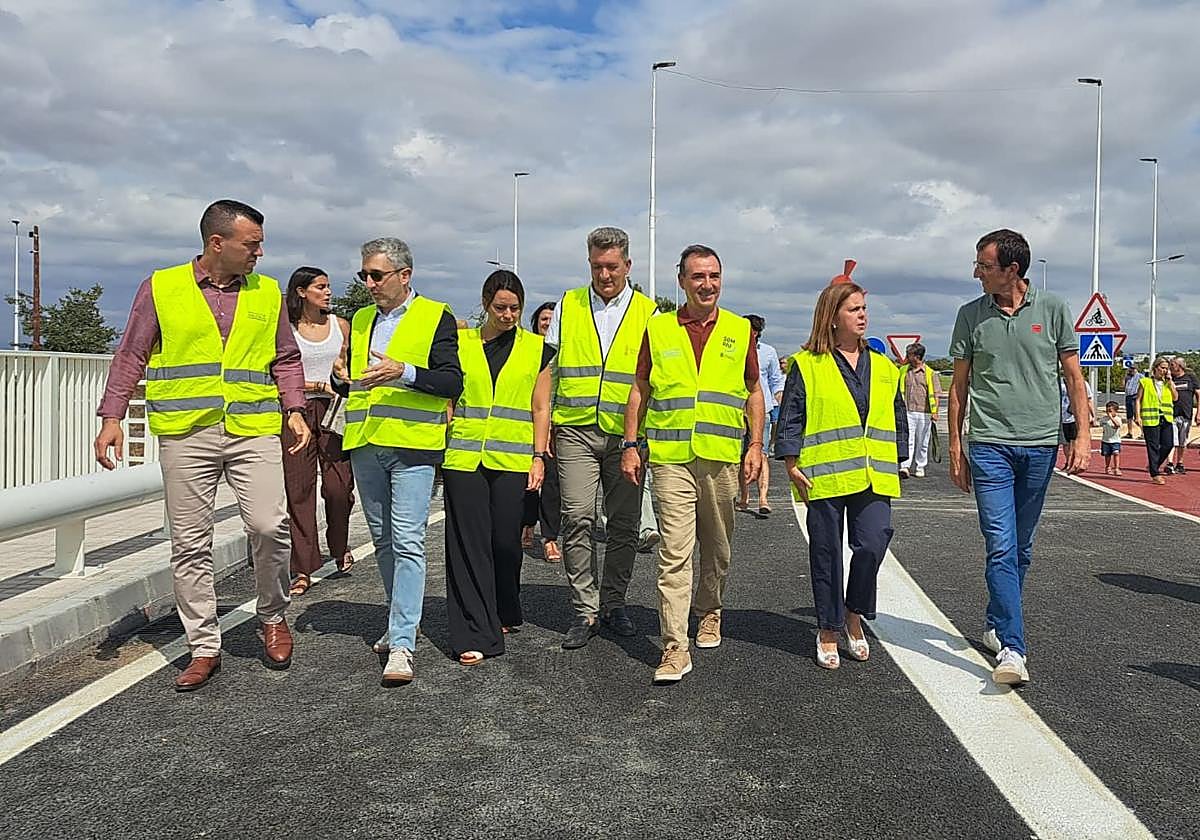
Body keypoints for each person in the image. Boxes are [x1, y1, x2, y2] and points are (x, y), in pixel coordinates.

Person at [93, 199, 311, 692]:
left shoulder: (267, 291)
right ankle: (204, 645)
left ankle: (272, 615)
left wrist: (295, 408)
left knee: (269, 525)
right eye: (251, 244)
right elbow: (131, 354)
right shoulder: (161, 287)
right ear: (217, 243)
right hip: (186, 431)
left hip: (253, 426)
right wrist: (112, 417)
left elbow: (285, 357)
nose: (259, 252)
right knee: (190, 542)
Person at [948, 228, 1089, 687]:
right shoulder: (970, 315)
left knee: (1021, 547)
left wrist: (1081, 436)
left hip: (1040, 444)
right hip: (989, 444)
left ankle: (995, 622)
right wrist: (955, 446)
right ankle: (1013, 646)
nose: (976, 272)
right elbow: (958, 387)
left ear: (1012, 270)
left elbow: (1073, 378)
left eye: (984, 265)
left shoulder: (1053, 309)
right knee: (1001, 544)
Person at [622, 245, 764, 683]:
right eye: (698, 276)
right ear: (681, 280)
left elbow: (753, 391)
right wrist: (631, 443)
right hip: (671, 459)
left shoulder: (740, 329)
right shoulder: (659, 328)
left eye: (714, 276)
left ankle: (710, 609)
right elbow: (640, 387)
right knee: (674, 553)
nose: (707, 284)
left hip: (720, 459)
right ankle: (674, 647)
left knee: (717, 548)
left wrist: (756, 444)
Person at [336, 237, 463, 686]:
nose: (369, 283)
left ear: (404, 275)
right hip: (366, 441)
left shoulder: (435, 316)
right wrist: (341, 379)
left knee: (408, 541)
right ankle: (397, 623)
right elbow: (361, 382)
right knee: (384, 541)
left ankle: (403, 644)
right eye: (364, 275)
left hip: (412, 445)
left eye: (376, 275)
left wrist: (403, 372)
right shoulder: (361, 319)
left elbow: (451, 382)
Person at [776, 280, 907, 671]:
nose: (863, 315)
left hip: (873, 473)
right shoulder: (807, 364)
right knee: (826, 553)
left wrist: (899, 457)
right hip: (823, 474)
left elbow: (897, 414)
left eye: (864, 308)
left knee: (873, 543)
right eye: (854, 309)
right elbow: (792, 414)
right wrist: (790, 461)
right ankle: (829, 628)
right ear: (832, 317)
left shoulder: (884, 366)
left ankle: (854, 613)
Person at [544, 226, 657, 649]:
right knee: (577, 517)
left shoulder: (649, 313)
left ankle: (613, 603)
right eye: (596, 266)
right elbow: (549, 369)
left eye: (611, 266)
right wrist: (544, 428)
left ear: (628, 265)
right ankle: (585, 609)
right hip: (575, 429)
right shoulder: (568, 304)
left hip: (627, 436)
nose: (604, 275)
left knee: (624, 524)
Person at [442, 271, 552, 665]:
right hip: (463, 457)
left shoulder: (537, 349)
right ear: (486, 302)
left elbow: (541, 407)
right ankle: (475, 631)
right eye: (500, 307)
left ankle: (505, 605)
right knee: (468, 545)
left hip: (512, 458)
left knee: (506, 542)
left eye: (515, 308)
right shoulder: (461, 344)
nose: (508, 315)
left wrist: (538, 457)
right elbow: (449, 398)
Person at [282, 267, 356, 597]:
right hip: (297, 411)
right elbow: (279, 370)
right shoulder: (286, 328)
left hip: (335, 410)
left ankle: (339, 545)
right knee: (299, 490)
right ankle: (302, 567)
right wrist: (312, 386)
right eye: (320, 287)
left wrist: (343, 381)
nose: (328, 293)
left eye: (328, 286)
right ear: (301, 292)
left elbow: (347, 367)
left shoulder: (341, 325)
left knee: (339, 488)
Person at [520, 301, 563, 562]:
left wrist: (553, 424)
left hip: (555, 424)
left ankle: (550, 538)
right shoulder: (526, 349)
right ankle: (527, 525)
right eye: (543, 319)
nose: (547, 323)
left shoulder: (563, 352)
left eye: (551, 319)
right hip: (526, 424)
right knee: (526, 481)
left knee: (552, 483)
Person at [737, 314, 784, 516]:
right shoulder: (734, 349)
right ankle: (744, 497)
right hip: (738, 410)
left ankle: (763, 498)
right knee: (741, 457)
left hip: (762, 410)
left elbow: (776, 380)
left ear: (757, 333)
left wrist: (780, 402)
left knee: (762, 454)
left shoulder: (768, 352)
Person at [898, 341, 942, 479]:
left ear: (917, 356)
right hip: (908, 411)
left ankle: (920, 466)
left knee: (923, 441)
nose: (907, 356)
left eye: (909, 354)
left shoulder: (930, 373)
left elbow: (936, 394)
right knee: (908, 439)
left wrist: (935, 412)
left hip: (925, 412)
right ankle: (905, 466)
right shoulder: (903, 371)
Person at [1132, 356, 1177, 486]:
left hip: (1166, 417)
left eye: (1167, 368)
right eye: (1162, 368)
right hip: (1151, 418)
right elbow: (1138, 399)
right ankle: (1155, 473)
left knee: (1168, 444)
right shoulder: (1145, 382)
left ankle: (1154, 465)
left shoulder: (1168, 383)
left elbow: (1175, 398)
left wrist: (1171, 383)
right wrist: (1137, 416)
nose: (1164, 371)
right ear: (1155, 368)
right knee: (1153, 446)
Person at [1165, 357, 1199, 474]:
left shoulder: (1190, 378)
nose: (1170, 367)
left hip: (1186, 413)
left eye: (1172, 365)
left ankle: (1180, 463)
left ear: (1179, 366)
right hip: (1172, 414)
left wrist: (1198, 413)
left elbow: (1198, 395)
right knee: (1172, 440)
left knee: (1182, 441)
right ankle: (1169, 463)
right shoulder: (1169, 379)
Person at [1058, 377, 1094, 470]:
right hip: (1061, 417)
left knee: (1073, 442)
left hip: (1074, 418)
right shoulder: (1058, 383)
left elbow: (1089, 400)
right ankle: (1068, 462)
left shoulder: (1082, 383)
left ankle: (1072, 462)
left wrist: (1092, 415)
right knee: (1065, 443)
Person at [1099, 400, 1122, 476]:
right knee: (1107, 455)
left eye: (1110, 411)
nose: (1108, 413)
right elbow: (1099, 424)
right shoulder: (1104, 419)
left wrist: (1111, 418)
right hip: (1106, 440)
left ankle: (1116, 468)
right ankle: (1108, 467)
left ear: (1115, 411)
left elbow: (1117, 425)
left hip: (1115, 440)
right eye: (1107, 411)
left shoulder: (1118, 419)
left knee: (1116, 453)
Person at [1122, 367, 1141, 439]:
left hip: (1135, 396)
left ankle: (1143, 432)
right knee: (1129, 416)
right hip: (1128, 396)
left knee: (1137, 415)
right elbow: (1123, 385)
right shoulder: (1128, 377)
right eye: (1130, 369)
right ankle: (1130, 432)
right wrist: (1125, 377)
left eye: (1132, 369)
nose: (1131, 371)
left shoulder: (1140, 376)